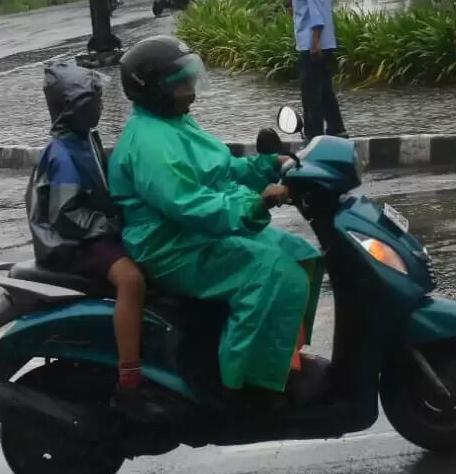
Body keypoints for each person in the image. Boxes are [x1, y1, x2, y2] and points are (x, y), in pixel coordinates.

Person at [108, 36, 321, 409]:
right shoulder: (148, 144)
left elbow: (221, 169)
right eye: (180, 84)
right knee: (272, 272)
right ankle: (244, 385)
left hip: (195, 234)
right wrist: (254, 204)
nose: (190, 91)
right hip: (171, 245)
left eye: (189, 80)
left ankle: (281, 358)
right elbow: (190, 204)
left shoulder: (176, 123)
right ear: (153, 89)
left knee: (300, 254)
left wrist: (268, 166)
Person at [26, 61, 157, 419]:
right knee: (131, 279)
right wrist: (110, 225)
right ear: (74, 107)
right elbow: (66, 215)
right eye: (93, 101)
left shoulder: (86, 140)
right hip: (74, 243)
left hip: (94, 233)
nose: (100, 107)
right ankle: (130, 379)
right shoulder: (62, 153)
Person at [284, 0, 345, 139]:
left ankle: (314, 136)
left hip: (312, 46)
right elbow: (310, 11)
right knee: (325, 91)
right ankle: (337, 130)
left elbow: (317, 13)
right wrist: (292, 6)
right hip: (322, 44)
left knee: (311, 95)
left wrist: (315, 42)